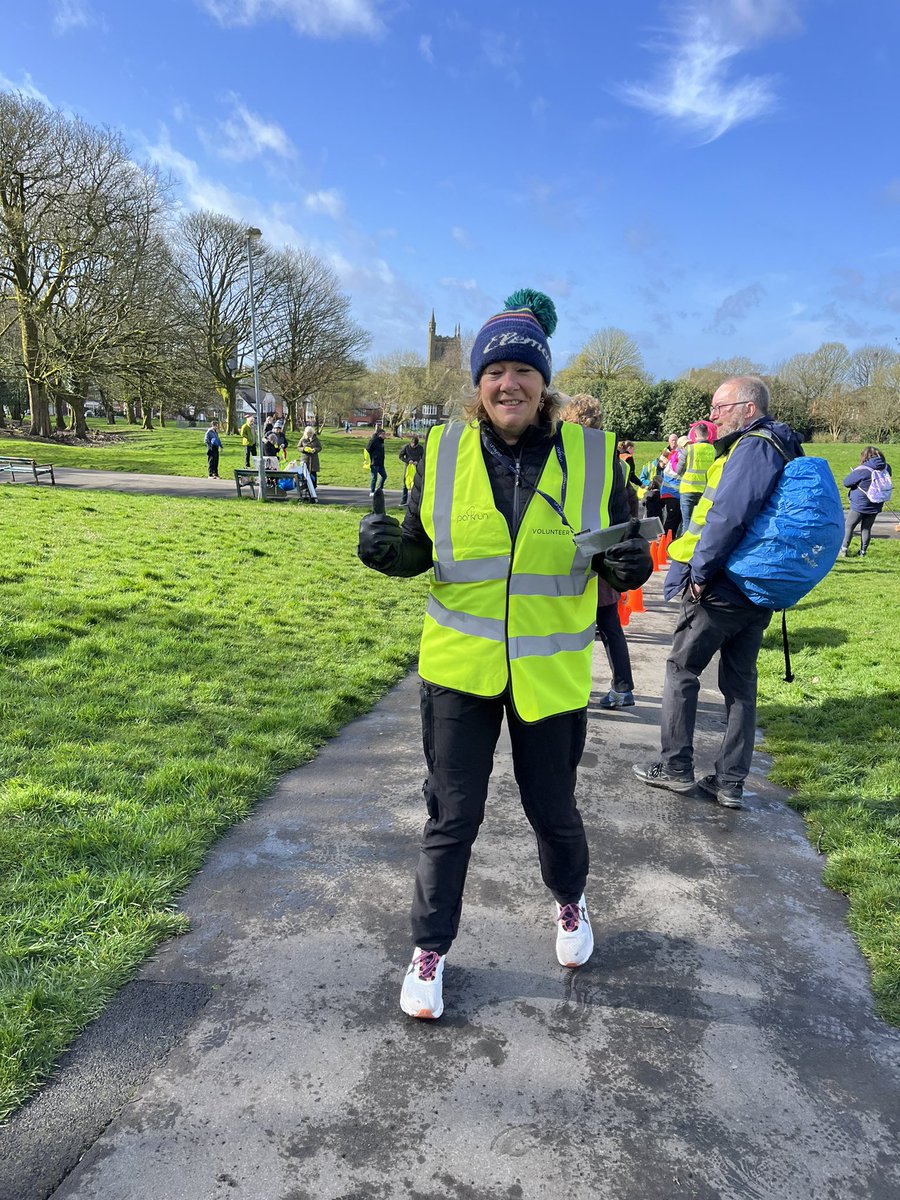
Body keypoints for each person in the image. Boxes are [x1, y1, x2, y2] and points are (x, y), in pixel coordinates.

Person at [357, 289, 652, 1020]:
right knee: (452, 816)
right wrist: (393, 554)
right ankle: (429, 951)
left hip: (548, 678)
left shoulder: (591, 457)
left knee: (553, 810)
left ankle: (571, 904)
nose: (508, 383)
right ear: (478, 384)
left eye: (523, 368)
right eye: (495, 370)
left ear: (543, 382)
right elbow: (425, 549)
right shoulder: (444, 451)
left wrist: (631, 568)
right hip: (459, 674)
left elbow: (622, 546)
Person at [633, 376, 803, 809]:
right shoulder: (785, 446)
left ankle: (675, 767)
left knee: (681, 670)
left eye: (720, 407)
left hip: (725, 585)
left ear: (748, 407)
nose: (713, 416)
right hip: (758, 586)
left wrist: (702, 571)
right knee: (740, 685)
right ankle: (729, 782)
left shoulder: (754, 447)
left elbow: (728, 515)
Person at [562, 396, 637, 711]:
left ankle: (569, 688)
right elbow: (629, 503)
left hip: (573, 554)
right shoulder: (615, 460)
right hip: (605, 553)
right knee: (609, 626)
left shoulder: (565, 457)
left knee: (567, 627)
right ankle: (623, 688)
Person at [839, 447, 893, 558]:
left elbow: (846, 483)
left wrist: (855, 473)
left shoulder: (862, 469)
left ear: (865, 456)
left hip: (860, 504)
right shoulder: (887, 468)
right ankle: (863, 552)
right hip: (876, 503)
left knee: (849, 526)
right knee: (867, 528)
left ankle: (843, 550)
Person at [677, 423, 715, 533]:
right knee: (703, 523)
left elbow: (679, 470)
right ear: (707, 434)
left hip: (688, 490)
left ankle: (685, 548)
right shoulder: (714, 450)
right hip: (706, 492)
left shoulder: (689, 449)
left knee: (687, 522)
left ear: (695, 434)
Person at [398, 434, 423, 504]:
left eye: (415, 446)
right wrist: (407, 460)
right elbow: (400, 456)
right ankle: (404, 500)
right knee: (405, 483)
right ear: (411, 443)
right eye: (412, 445)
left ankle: (415, 500)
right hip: (408, 467)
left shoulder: (421, 448)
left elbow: (423, 458)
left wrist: (418, 462)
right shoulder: (406, 447)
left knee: (416, 484)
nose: (414, 446)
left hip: (417, 467)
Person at [366, 427, 387, 495]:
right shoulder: (373, 441)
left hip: (381, 462)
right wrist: (368, 460)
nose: (385, 436)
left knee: (384, 476)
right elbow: (367, 450)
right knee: (374, 478)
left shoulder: (381, 441)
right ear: (379, 434)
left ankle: (380, 489)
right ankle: (372, 491)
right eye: (383, 434)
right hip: (374, 463)